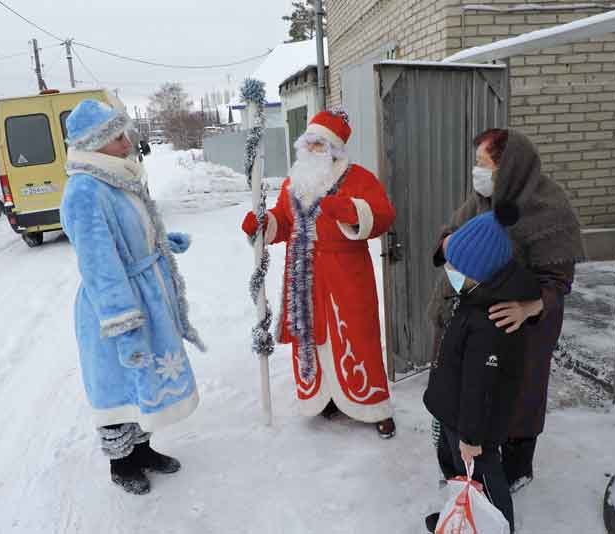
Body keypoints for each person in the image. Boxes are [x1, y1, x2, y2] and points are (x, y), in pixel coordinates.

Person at [60, 99, 205, 495]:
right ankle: (121, 465)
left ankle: (143, 451)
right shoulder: (85, 191)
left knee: (143, 380)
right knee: (116, 382)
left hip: (143, 292)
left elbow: (131, 231)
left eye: (124, 133)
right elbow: (99, 265)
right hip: (114, 305)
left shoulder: (118, 178)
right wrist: (122, 322)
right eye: (117, 136)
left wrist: (157, 243)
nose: (127, 142)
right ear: (95, 144)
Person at [427, 129, 585, 491]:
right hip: (471, 312)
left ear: (510, 168)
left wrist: (528, 307)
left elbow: (558, 281)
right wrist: (448, 244)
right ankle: (462, 465)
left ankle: (514, 470)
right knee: (464, 392)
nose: (476, 172)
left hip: (524, 322)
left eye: (483, 164)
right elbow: (447, 238)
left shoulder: (549, 206)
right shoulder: (483, 198)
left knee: (518, 397)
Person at [241, 109, 397, 438]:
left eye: (320, 144)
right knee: (311, 338)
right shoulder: (293, 182)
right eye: (308, 143)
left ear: (336, 149)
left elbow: (383, 215)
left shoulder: (359, 178)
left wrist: (351, 210)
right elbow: (284, 221)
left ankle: (373, 406)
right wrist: (264, 223)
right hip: (303, 274)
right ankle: (324, 397)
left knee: (357, 336)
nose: (312, 149)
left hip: (345, 273)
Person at [423, 204, 540, 534]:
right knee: (457, 471)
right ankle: (460, 516)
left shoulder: (492, 320)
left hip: (473, 425)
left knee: (484, 479)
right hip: (454, 412)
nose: (450, 270)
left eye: (456, 266)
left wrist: (471, 436)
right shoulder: (477, 293)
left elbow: (480, 385)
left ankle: (497, 526)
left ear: (480, 272)